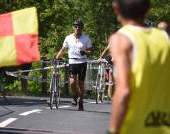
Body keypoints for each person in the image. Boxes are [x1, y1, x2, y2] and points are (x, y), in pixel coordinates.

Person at [108, 0, 170, 134]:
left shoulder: (122, 39)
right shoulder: (165, 38)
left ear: (116, 8)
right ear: (148, 9)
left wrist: (113, 130)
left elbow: (123, 90)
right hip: (163, 125)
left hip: (135, 127)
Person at [56, 19, 93, 111]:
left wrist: (84, 52)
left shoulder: (86, 38)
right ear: (73, 27)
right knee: (72, 83)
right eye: (76, 26)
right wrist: (57, 57)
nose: (77, 28)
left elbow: (91, 51)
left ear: (82, 28)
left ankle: (81, 102)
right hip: (72, 62)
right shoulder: (68, 38)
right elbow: (63, 49)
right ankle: (75, 96)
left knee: (81, 84)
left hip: (82, 62)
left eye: (79, 26)